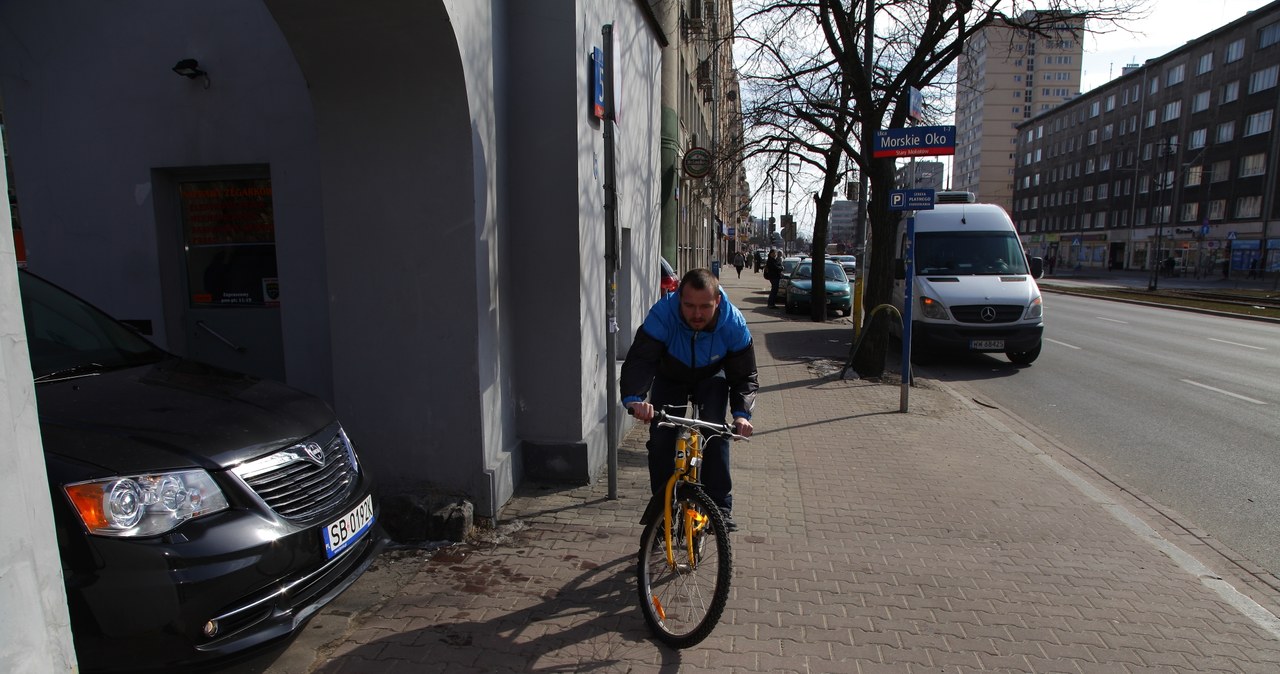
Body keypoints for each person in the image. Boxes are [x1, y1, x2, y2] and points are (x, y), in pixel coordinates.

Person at [620, 268, 758, 532]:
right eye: (689, 306)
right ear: (678, 298)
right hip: (671, 374)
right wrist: (635, 399)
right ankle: (663, 512)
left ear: (717, 301)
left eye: (705, 307)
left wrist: (742, 413)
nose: (697, 314)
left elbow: (744, 375)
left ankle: (719, 508)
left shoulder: (733, 323)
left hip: (711, 375)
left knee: (715, 431)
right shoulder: (663, 314)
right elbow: (642, 359)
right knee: (661, 440)